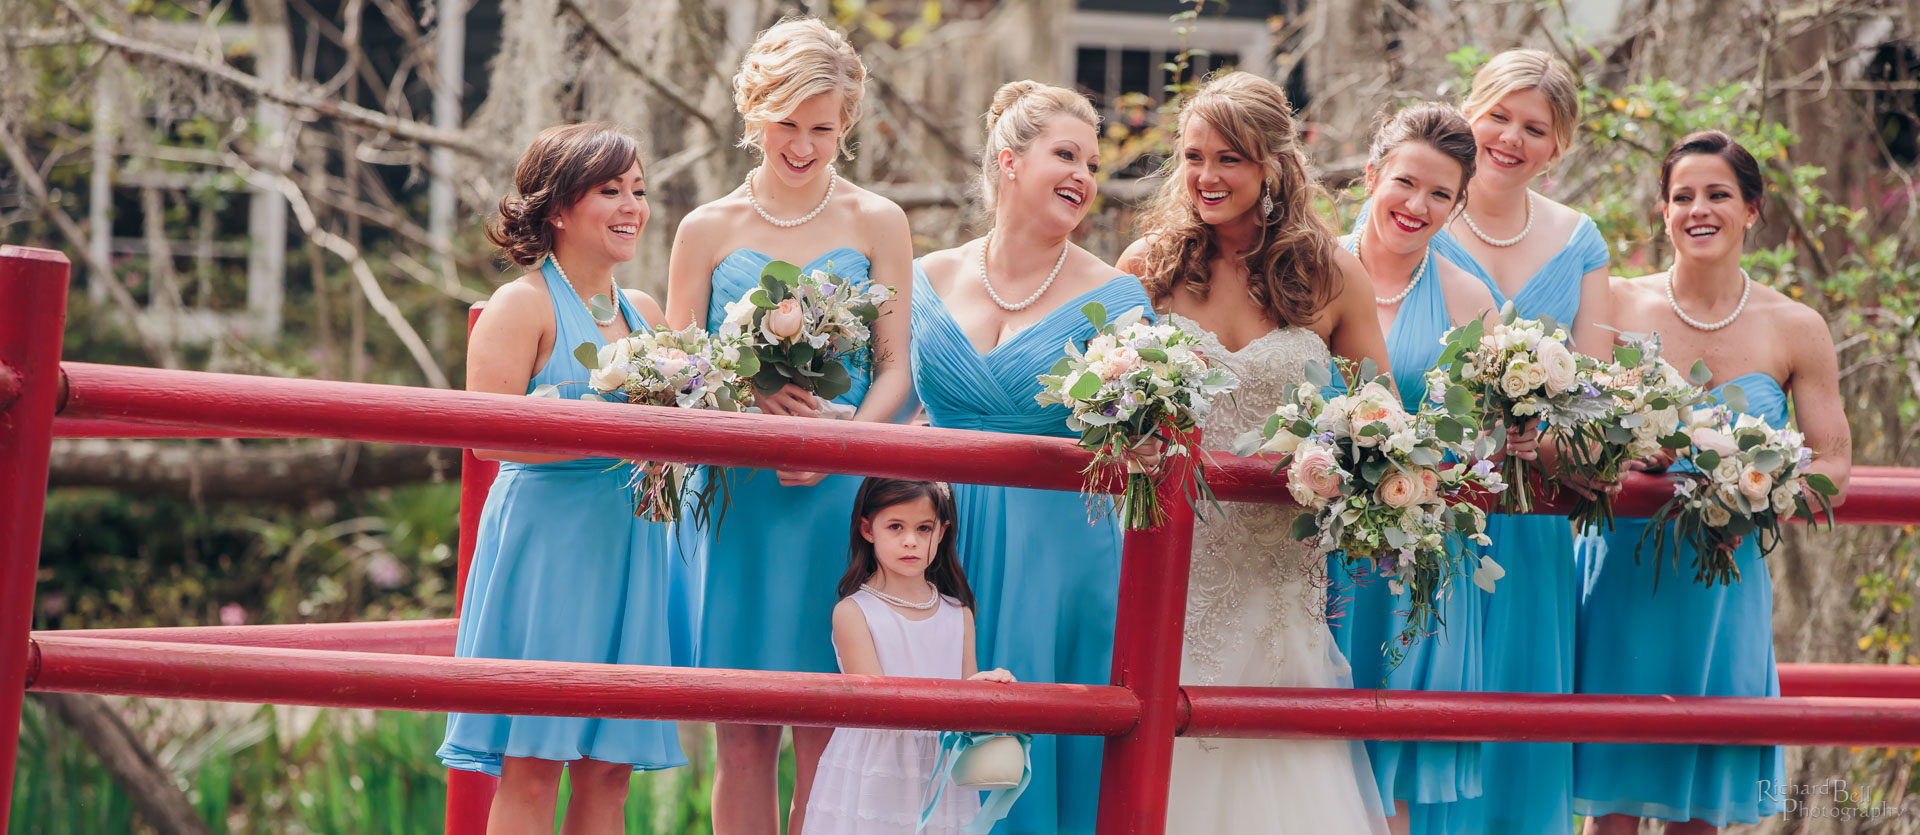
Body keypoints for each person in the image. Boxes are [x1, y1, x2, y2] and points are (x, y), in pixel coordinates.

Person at [1115, 70, 1393, 834]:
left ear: (1274, 163)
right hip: (1172, 557)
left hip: (1279, 569)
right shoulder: (1147, 268)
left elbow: (1381, 413)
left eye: (1229, 158)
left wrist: (1342, 451)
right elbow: (1104, 409)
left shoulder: (1333, 273)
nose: (1206, 176)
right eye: (1194, 155)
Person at [663, 17, 914, 834]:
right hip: (739, 500)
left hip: (837, 499)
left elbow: (896, 369)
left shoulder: (880, 221)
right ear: (753, 113)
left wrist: (841, 448)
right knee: (739, 734)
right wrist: (744, 405)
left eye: (822, 128)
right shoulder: (704, 229)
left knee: (825, 726)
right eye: (787, 124)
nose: (803, 145)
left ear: (846, 125)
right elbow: (679, 374)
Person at [1574, 131, 1852, 835]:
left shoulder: (1796, 326)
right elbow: (1572, 433)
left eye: (1718, 194)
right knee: (1611, 803)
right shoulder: (1614, 303)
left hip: (1725, 581)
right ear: (1663, 213)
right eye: (1682, 196)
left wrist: (1755, 491)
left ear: (1752, 209)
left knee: (1702, 806)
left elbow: (1835, 463)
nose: (1699, 209)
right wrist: (1618, 462)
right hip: (1621, 572)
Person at [909, 79, 1145, 834]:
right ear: (1009, 160)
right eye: (1065, 155)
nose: (1083, 175)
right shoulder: (926, 276)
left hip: (1060, 552)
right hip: (936, 540)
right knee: (929, 736)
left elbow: (1144, 439)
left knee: (1044, 745)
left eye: (1093, 164)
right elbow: (890, 402)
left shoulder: (1118, 296)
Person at [438, 122, 686, 833]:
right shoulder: (524, 306)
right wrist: (602, 419)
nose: (631, 206)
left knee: (610, 773)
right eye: (610, 190)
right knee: (535, 759)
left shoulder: (647, 315)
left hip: (633, 547)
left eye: (637, 190)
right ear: (558, 207)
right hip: (549, 549)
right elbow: (487, 441)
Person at [1430, 49, 1611, 835]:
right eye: (1497, 113)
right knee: (1423, 708)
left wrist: (1566, 444)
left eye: (1533, 127)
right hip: (1425, 503)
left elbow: (1598, 384)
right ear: (1470, 109)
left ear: (1557, 147)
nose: (1509, 136)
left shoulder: (1579, 240)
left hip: (1529, 518)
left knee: (1517, 710)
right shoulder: (1418, 207)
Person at [1323, 102, 1499, 835]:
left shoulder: (1467, 299)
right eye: (1405, 182)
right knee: (1307, 749)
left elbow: (1476, 441)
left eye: (1440, 195)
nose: (1416, 205)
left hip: (1411, 560)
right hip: (1311, 546)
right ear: (1370, 175)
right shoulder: (1305, 272)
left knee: (1389, 766)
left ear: (1458, 205)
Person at [804, 477, 1017, 834]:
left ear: (943, 531)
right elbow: (876, 704)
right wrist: (959, 695)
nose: (910, 541)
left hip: (941, 768)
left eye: (924, 528)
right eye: (896, 526)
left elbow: (966, 698)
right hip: (875, 766)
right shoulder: (854, 612)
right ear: (867, 529)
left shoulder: (958, 613)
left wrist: (984, 688)